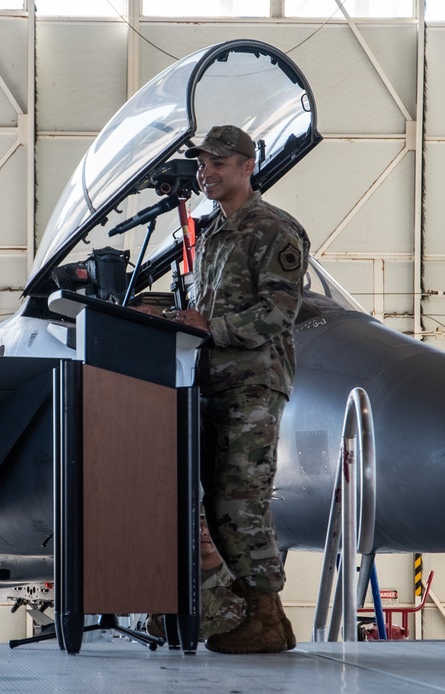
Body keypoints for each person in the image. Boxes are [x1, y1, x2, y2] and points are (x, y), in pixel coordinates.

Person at [175, 124, 308, 654]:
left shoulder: (273, 229)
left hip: (253, 383)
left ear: (247, 165)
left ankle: (263, 615)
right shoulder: (211, 233)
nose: (206, 171)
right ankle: (258, 618)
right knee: (217, 501)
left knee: (241, 500)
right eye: (204, 163)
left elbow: (279, 313)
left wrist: (212, 330)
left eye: (218, 163)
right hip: (212, 383)